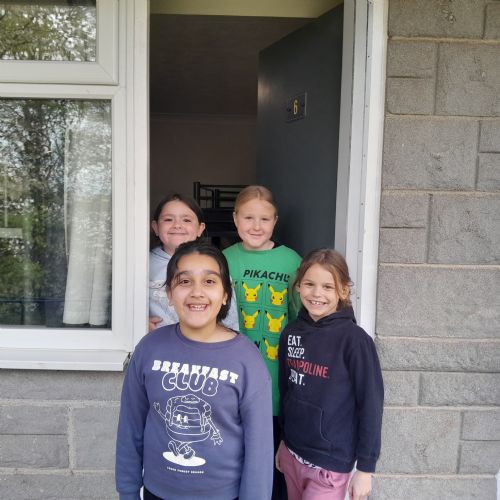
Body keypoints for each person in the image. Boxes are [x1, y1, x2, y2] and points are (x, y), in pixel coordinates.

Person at [116, 240, 273, 500]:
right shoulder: (149, 348)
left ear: (225, 294)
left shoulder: (247, 360)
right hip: (157, 492)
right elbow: (130, 427)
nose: (197, 292)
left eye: (209, 281)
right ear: (169, 293)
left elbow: (260, 448)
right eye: (185, 281)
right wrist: (128, 491)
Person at [276, 249, 384, 500]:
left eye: (327, 286)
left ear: (343, 290)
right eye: (309, 284)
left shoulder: (355, 341)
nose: (317, 293)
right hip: (292, 453)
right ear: (298, 286)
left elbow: (371, 404)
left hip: (329, 465)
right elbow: (286, 391)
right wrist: (283, 440)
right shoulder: (291, 332)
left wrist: (366, 468)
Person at [223, 185, 301, 498]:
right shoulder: (224, 259)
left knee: (270, 466)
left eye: (264, 219)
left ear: (275, 221)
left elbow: (301, 317)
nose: (256, 226)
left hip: (275, 382)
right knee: (234, 459)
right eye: (248, 218)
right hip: (232, 377)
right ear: (235, 219)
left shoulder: (291, 261)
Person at [149, 193, 239, 331]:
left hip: (204, 342)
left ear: (200, 229)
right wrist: (138, 323)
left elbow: (229, 317)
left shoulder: (213, 264)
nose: (177, 225)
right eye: (168, 219)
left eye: (186, 220)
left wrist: (229, 336)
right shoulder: (142, 264)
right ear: (155, 227)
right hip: (159, 342)